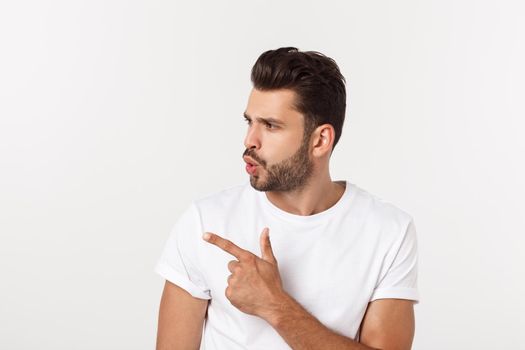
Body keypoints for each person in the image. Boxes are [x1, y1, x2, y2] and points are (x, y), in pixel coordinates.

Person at [154, 47, 419, 350]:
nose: (249, 140)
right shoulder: (206, 222)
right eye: (249, 122)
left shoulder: (388, 231)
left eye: (270, 125)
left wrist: (274, 305)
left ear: (320, 140)